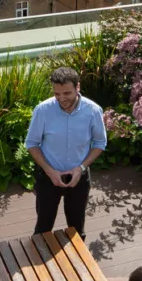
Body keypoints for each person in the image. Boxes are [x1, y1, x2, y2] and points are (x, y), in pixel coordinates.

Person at [25, 66, 107, 238]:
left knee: (77, 230)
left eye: (67, 93)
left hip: (79, 178)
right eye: (57, 94)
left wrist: (81, 168)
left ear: (78, 87)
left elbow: (100, 143)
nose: (61, 99)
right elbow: (32, 144)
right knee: (43, 228)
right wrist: (49, 171)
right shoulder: (42, 110)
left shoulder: (93, 111)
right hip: (48, 177)